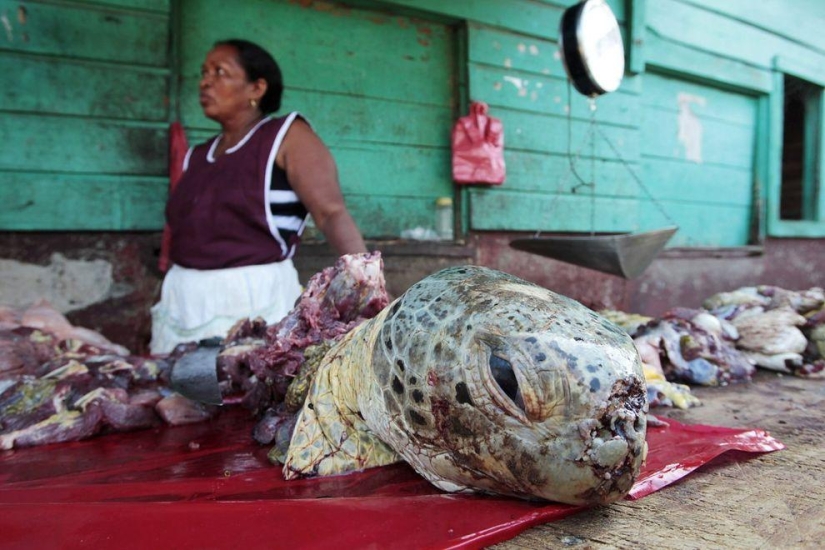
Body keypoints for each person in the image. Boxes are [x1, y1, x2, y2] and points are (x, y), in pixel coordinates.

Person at [150, 38, 368, 355]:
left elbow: (330, 213)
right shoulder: (195, 156)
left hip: (250, 304)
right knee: (172, 398)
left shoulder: (286, 136)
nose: (205, 81)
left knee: (243, 396)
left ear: (256, 88)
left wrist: (366, 286)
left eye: (220, 72)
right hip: (182, 302)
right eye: (203, 72)